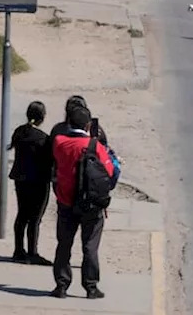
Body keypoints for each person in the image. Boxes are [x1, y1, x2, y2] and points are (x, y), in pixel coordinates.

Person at [50, 105, 116, 299]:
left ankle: (61, 285)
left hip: (65, 202)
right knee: (90, 246)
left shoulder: (59, 143)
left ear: (69, 122)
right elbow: (110, 172)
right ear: (88, 125)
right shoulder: (96, 146)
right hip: (91, 204)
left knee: (64, 244)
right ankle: (91, 287)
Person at [9, 100, 53, 265]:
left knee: (22, 215)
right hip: (38, 181)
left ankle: (18, 250)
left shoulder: (19, 132)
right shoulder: (43, 138)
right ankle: (32, 252)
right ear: (42, 117)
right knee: (35, 218)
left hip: (21, 179)